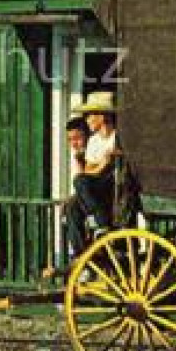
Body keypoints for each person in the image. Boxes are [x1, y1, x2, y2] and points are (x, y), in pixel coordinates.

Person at [63, 91, 120, 258]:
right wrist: (102, 165)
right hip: (95, 186)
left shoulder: (117, 137)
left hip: (113, 187)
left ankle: (102, 223)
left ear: (102, 116)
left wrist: (100, 167)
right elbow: (89, 171)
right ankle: (82, 255)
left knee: (80, 181)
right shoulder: (94, 141)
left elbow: (107, 170)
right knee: (72, 206)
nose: (87, 120)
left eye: (90, 116)